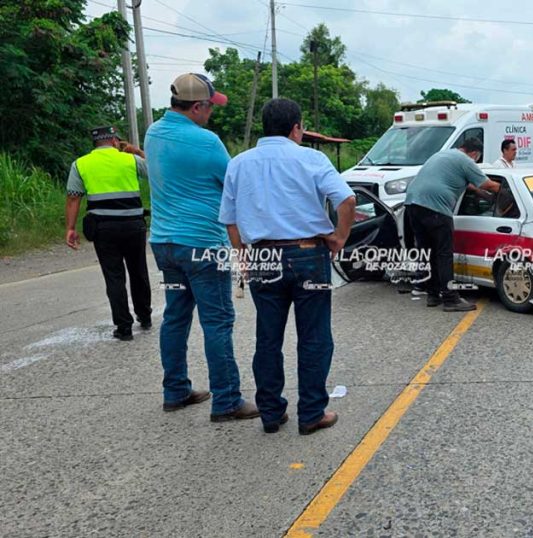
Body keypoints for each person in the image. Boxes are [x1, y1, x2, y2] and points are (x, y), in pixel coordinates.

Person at [220, 98, 356, 435]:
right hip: (308, 255)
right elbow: (348, 199)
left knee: (268, 337)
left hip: (263, 257)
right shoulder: (311, 158)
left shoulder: (239, 163)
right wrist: (339, 238)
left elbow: (231, 220)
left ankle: (271, 413)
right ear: (296, 128)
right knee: (314, 337)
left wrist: (243, 255)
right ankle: (311, 414)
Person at [145, 73, 259, 421]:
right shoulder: (207, 143)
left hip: (164, 244)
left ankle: (175, 391)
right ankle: (226, 401)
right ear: (196, 106)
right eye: (209, 106)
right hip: (204, 246)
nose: (212, 112)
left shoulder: (152, 134)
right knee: (218, 321)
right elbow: (234, 186)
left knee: (175, 317)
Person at [65, 126, 152, 341]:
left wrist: (70, 228)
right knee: (138, 270)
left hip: (103, 228)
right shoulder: (130, 160)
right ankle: (145, 316)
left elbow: (73, 197)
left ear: (96, 143)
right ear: (114, 140)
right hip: (134, 225)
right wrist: (139, 152)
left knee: (114, 276)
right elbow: (156, 172)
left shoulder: (81, 164)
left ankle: (124, 327)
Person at [404, 137, 500, 311]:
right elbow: (489, 184)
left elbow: (464, 183)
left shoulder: (445, 155)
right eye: (477, 159)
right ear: (475, 153)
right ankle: (450, 298)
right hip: (435, 208)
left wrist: (481, 194)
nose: (476, 161)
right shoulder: (466, 160)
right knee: (444, 254)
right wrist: (504, 192)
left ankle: (433, 295)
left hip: (413, 204)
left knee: (428, 252)